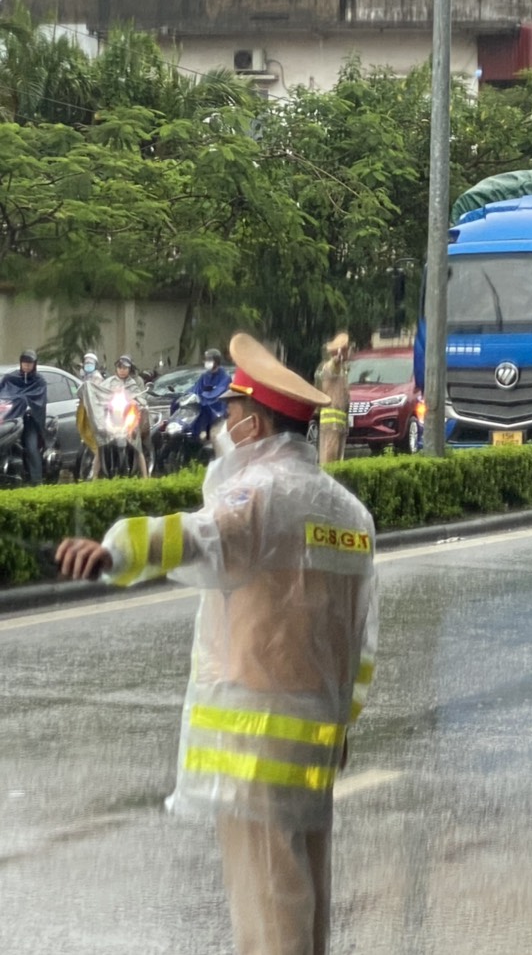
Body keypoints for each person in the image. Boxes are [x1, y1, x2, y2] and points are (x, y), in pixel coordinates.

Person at [56, 332, 378, 955]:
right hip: (312, 746)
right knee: (304, 904)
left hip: (252, 749)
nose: (223, 422)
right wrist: (340, 727)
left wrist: (113, 551)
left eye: (231, 411)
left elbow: (199, 537)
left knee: (269, 916)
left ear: (254, 424)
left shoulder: (260, 496)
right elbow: (362, 643)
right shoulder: (348, 514)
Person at [0, 349, 47, 484]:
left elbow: (39, 402)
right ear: (20, 363)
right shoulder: (10, 378)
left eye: (29, 363)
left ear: (34, 364)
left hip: (29, 421)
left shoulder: (39, 381)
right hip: (8, 420)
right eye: (24, 363)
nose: (26, 365)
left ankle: (37, 481)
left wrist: (26, 404)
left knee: (31, 448)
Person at [314, 332, 351, 465]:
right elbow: (334, 364)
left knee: (337, 462)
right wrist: (338, 356)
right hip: (331, 424)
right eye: (346, 349)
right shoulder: (330, 367)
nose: (349, 352)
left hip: (339, 425)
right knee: (328, 462)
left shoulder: (342, 370)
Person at [190, 347, 233, 420]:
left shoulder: (225, 378)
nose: (206, 362)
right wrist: (188, 396)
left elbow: (216, 395)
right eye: (205, 360)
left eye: (209, 360)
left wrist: (203, 395)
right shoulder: (204, 376)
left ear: (216, 361)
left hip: (219, 416)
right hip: (202, 414)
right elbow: (195, 390)